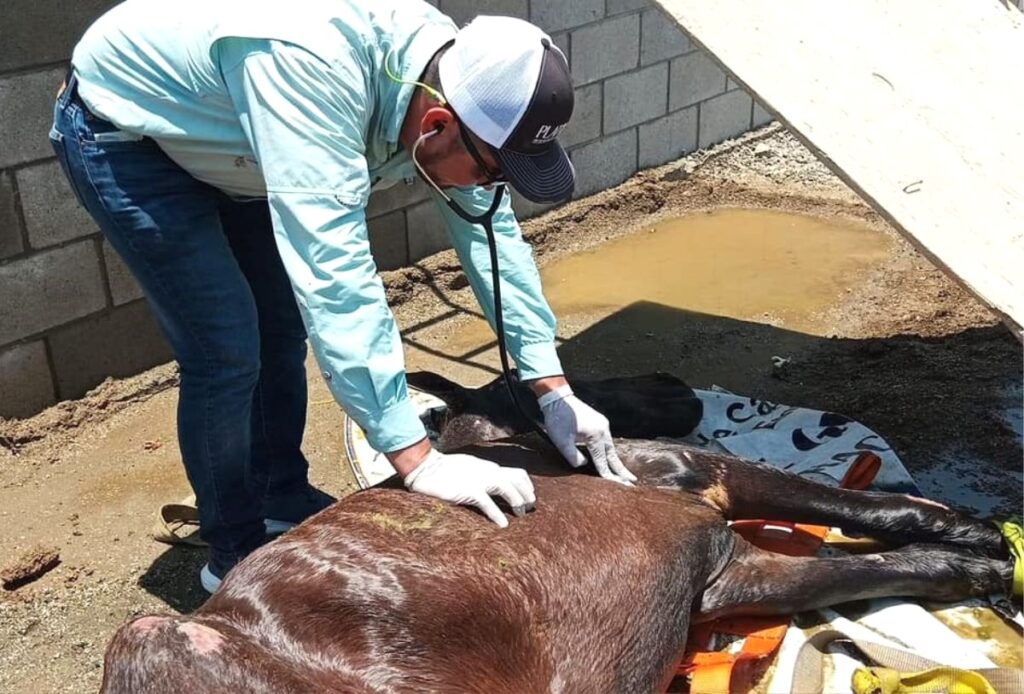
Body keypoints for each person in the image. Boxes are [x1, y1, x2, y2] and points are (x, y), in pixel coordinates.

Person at [52, 0, 636, 594]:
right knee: (227, 349)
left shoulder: (452, 76)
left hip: (239, 137)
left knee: (279, 331)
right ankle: (231, 553)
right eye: (492, 172)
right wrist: (418, 459)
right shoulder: (312, 73)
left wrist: (550, 386)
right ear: (437, 126)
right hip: (131, 134)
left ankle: (280, 493)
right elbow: (335, 276)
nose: (492, 188)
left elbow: (493, 236)